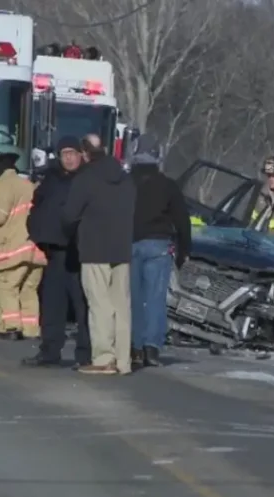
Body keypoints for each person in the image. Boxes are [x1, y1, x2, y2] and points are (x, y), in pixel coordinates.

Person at [61, 134, 136, 375]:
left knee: (100, 305)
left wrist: (73, 232)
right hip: (122, 248)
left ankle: (104, 358)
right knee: (122, 306)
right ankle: (123, 360)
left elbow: (69, 215)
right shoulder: (125, 178)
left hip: (94, 248)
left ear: (84, 153)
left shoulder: (85, 179)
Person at [23, 136, 91, 367]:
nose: (69, 158)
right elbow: (38, 206)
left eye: (73, 153)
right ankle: (50, 350)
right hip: (54, 251)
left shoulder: (87, 179)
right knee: (52, 303)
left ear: (81, 155)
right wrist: (36, 232)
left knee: (82, 305)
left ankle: (85, 353)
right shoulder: (51, 179)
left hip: (79, 252)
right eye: (64, 154)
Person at [129, 134, 191, 368]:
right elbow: (182, 220)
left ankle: (134, 348)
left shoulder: (125, 183)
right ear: (158, 156)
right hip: (158, 245)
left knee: (133, 298)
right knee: (155, 299)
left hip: (129, 244)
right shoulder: (168, 185)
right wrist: (184, 250)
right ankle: (152, 348)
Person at [0, 152, 45, 340]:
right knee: (28, 290)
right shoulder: (27, 185)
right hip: (35, 249)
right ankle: (31, 329)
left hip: (14, 248)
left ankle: (11, 327)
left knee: (5, 286)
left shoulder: (3, 185)